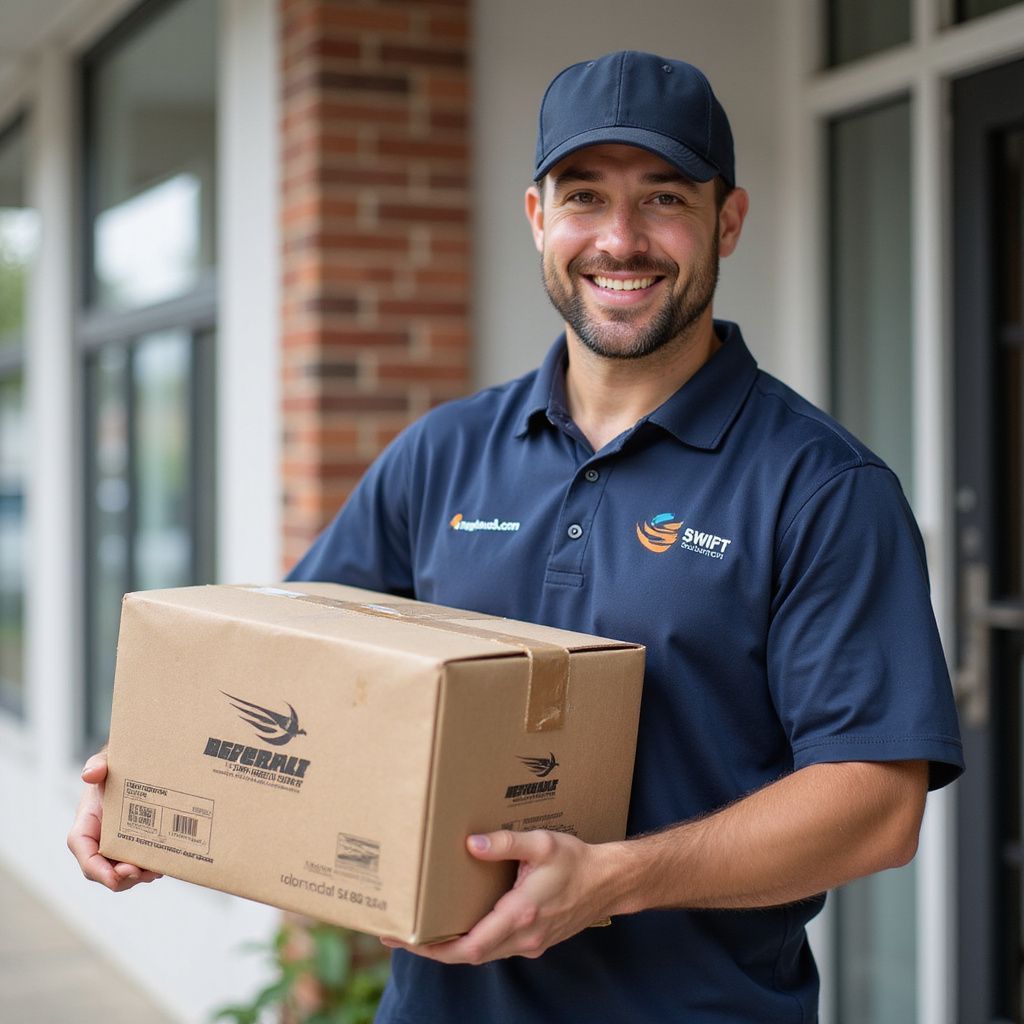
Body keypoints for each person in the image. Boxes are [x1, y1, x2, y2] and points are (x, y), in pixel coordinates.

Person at [70, 50, 963, 1023]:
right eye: (584, 197)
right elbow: (296, 675)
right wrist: (147, 779)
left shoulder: (820, 486)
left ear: (727, 220)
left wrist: (611, 879)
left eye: (663, 198)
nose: (620, 240)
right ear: (538, 217)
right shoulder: (442, 453)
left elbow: (876, 803)